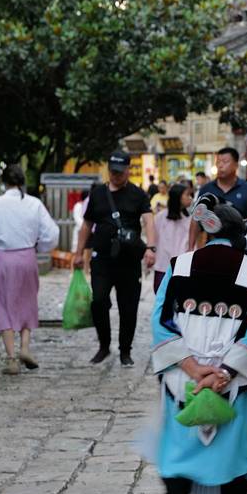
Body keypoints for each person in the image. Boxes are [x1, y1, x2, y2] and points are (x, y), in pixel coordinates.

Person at [148, 194, 247, 494]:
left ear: (205, 230)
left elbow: (160, 319)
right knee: (235, 464)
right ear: (239, 235)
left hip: (182, 380)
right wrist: (225, 371)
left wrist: (189, 366)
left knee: (179, 454)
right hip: (229, 382)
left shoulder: (180, 266)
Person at [0, 164, 59, 375]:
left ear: (4, 182)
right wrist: (40, 246)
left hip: (4, 257)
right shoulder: (34, 204)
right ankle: (25, 347)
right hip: (27, 256)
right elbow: (52, 233)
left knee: (2, 305)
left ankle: (11, 358)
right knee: (28, 301)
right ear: (22, 182)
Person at [72, 151, 156, 366]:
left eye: (120, 172)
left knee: (128, 307)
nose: (116, 176)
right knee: (98, 301)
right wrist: (79, 252)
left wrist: (151, 248)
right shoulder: (98, 194)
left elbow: (149, 221)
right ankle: (104, 345)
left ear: (128, 170)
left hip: (128, 260)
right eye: (112, 172)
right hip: (102, 259)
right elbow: (86, 225)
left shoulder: (138, 194)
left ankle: (125, 351)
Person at [189, 148, 247, 248]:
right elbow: (195, 219)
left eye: (225, 162)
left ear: (236, 165)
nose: (220, 165)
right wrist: (190, 247)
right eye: (218, 162)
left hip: (240, 247)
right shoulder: (206, 189)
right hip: (212, 247)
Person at [153, 183, 192, 293]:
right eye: (187, 195)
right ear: (178, 197)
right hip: (162, 266)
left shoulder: (189, 219)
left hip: (182, 267)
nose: (190, 198)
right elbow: (153, 239)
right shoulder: (160, 217)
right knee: (161, 297)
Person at [71, 188, 90, 253]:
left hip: (88, 232)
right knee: (77, 250)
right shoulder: (78, 205)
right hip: (79, 230)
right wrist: (86, 226)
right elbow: (77, 218)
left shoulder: (90, 206)